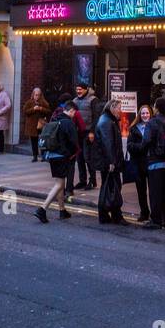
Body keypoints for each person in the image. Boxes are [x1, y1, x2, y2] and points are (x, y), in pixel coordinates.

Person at [34, 95, 78, 225]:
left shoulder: (55, 119)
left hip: (52, 155)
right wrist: (72, 153)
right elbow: (74, 142)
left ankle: (62, 210)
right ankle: (42, 209)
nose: (74, 115)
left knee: (61, 182)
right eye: (74, 113)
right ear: (71, 111)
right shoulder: (68, 123)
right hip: (62, 156)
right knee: (59, 184)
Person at [143, 97, 165, 229]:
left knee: (155, 192)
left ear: (156, 108)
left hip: (154, 161)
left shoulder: (152, 123)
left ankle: (156, 220)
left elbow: (146, 141)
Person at [93, 97, 127, 226]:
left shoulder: (108, 120)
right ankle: (116, 215)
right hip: (109, 162)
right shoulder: (107, 121)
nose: (120, 110)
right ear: (112, 108)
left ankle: (106, 214)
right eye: (119, 108)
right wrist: (112, 162)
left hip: (108, 161)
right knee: (113, 188)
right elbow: (108, 144)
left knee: (109, 187)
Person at [127, 104, 153, 223]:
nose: (145, 115)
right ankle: (144, 213)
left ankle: (155, 213)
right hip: (138, 163)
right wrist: (141, 146)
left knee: (153, 190)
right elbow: (129, 146)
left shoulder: (154, 126)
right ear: (139, 114)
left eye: (147, 113)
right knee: (141, 190)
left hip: (152, 162)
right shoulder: (134, 128)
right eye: (143, 113)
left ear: (150, 114)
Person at [73, 83, 100, 190]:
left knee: (88, 157)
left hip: (88, 133)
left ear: (86, 90)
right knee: (79, 158)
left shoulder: (93, 100)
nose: (78, 91)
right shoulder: (74, 101)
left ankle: (92, 181)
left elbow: (96, 117)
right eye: (77, 89)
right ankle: (82, 180)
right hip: (78, 133)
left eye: (80, 89)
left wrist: (92, 132)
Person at [22, 88, 51, 162]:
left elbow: (49, 111)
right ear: (33, 94)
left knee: (42, 141)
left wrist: (41, 108)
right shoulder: (29, 102)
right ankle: (35, 156)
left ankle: (43, 156)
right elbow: (25, 111)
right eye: (36, 95)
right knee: (33, 141)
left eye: (38, 95)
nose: (37, 97)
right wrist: (33, 109)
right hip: (32, 125)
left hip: (41, 124)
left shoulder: (43, 102)